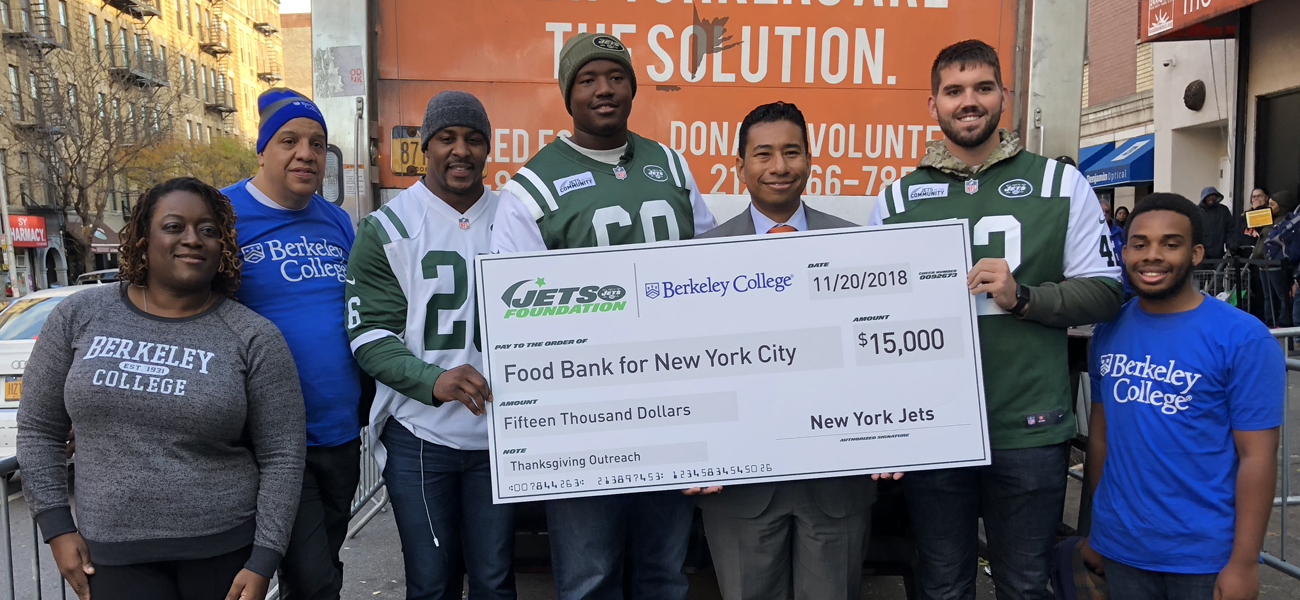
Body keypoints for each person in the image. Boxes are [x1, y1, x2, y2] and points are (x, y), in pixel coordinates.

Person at [868, 39, 1123, 599]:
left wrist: (1024, 296)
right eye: (954, 90)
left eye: (982, 87)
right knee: (940, 584)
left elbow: (1106, 292)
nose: (969, 101)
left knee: (1025, 584)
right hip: (936, 428)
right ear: (931, 104)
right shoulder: (897, 199)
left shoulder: (1061, 184)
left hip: (1029, 425)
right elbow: (873, 319)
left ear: (1003, 96)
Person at [490, 32, 716, 600]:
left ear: (633, 87)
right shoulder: (531, 188)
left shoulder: (669, 162)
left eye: (615, 77)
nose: (604, 90)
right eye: (588, 79)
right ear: (568, 94)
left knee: (664, 572)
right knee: (589, 577)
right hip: (582, 415)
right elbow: (513, 311)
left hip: (671, 402)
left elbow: (713, 265)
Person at [17, 177, 306, 600]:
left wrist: (265, 558)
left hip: (224, 553)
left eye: (208, 230)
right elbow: (39, 429)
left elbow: (283, 454)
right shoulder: (79, 315)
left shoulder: (253, 336)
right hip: (112, 556)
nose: (192, 239)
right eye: (174, 226)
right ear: (142, 239)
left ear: (222, 246)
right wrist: (56, 527)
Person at [695, 101, 887, 600]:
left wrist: (895, 434)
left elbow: (880, 355)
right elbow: (688, 369)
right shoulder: (699, 260)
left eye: (791, 152)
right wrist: (690, 455)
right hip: (738, 490)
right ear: (739, 166)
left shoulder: (858, 248)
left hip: (837, 487)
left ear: (810, 159)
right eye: (763, 154)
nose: (779, 167)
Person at [346, 91, 515, 600]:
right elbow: (368, 334)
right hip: (420, 436)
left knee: (495, 580)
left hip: (501, 436)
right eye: (447, 138)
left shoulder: (516, 217)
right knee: (431, 582)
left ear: (489, 148)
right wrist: (431, 380)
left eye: (473, 139)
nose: (460, 150)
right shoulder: (388, 227)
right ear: (426, 146)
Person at [1081, 193, 1282, 600]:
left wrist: (1243, 563)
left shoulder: (1243, 338)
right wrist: (1096, 532)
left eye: (1170, 244)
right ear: (1124, 251)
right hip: (1121, 548)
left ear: (1195, 254)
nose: (1152, 256)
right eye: (1140, 244)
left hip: (1205, 556)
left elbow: (1257, 457)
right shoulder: (1108, 330)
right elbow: (1100, 440)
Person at [221, 88, 363, 600]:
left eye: (318, 143)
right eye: (290, 141)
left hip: (341, 430)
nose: (306, 153)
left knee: (325, 560)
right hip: (274, 439)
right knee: (313, 578)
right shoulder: (221, 213)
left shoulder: (336, 221)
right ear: (262, 150)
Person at [1198, 186, 1234, 261]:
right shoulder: (1197, 212)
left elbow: (1231, 229)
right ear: (1204, 197)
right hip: (1201, 257)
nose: (1211, 198)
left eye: (1213, 195)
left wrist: (1232, 244)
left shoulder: (1223, 211)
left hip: (1219, 256)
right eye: (1208, 196)